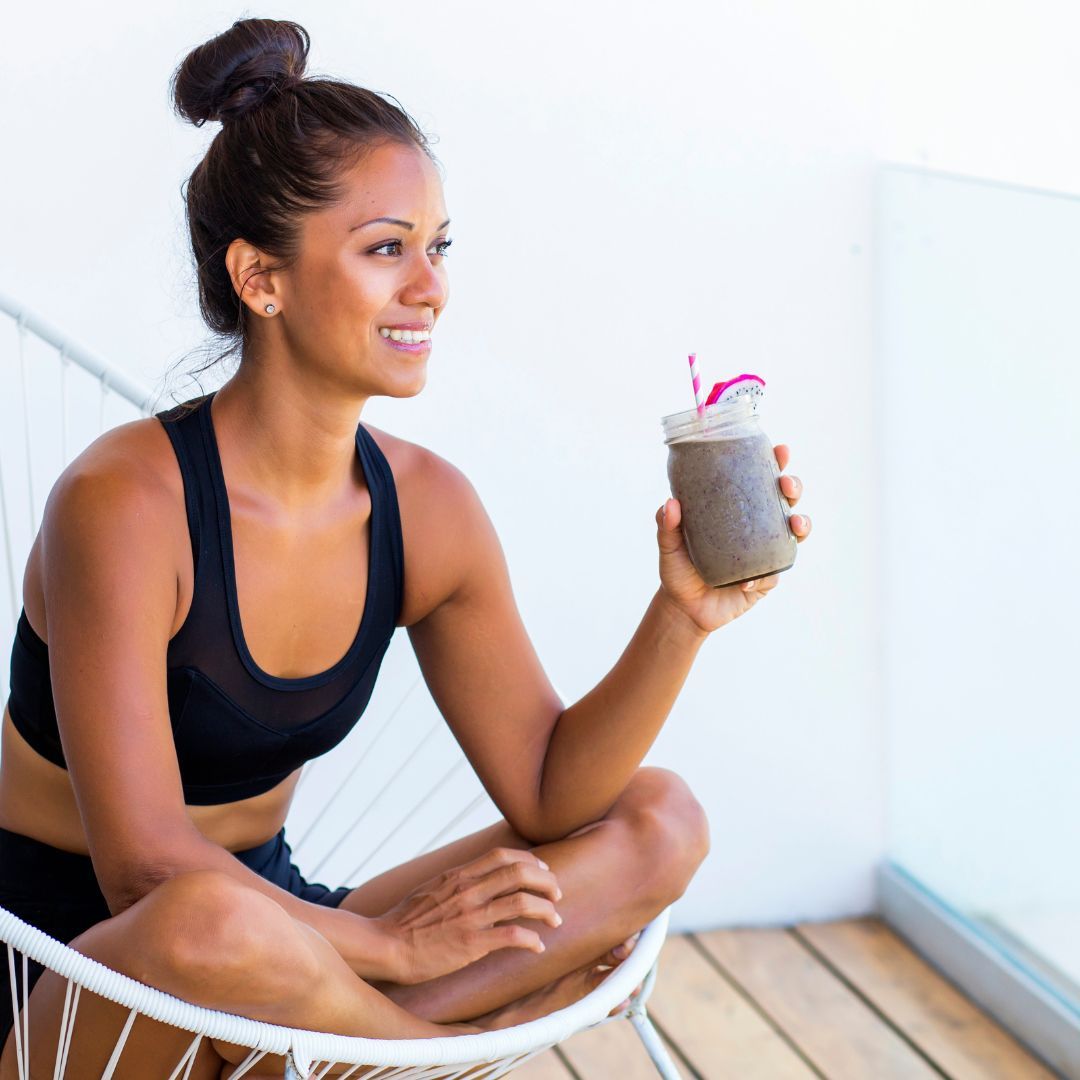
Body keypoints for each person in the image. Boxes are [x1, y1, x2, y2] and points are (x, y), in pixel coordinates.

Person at [0, 16, 811, 1077]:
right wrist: (393, 947)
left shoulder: (428, 508)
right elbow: (147, 877)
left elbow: (549, 792)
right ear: (262, 279)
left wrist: (682, 615)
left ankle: (351, 1052)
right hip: (75, 969)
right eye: (387, 248)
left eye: (437, 247)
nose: (430, 286)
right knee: (211, 925)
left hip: (290, 938)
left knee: (663, 818)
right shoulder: (123, 504)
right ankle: (421, 1055)